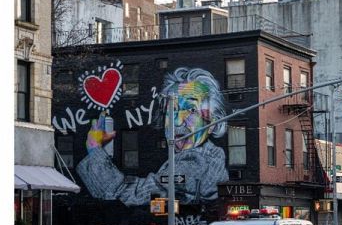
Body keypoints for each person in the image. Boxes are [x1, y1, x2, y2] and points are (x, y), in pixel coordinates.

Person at [77, 67, 229, 205]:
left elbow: (128, 194)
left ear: (213, 123)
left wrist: (94, 148)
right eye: (172, 109)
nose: (177, 121)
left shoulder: (196, 163)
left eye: (191, 110)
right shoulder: (208, 158)